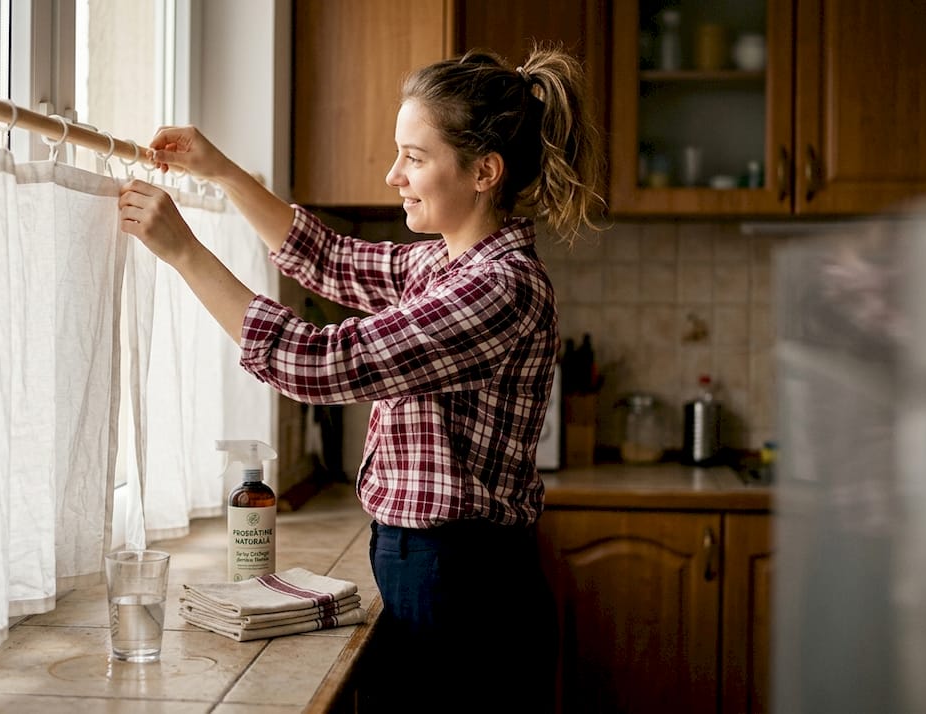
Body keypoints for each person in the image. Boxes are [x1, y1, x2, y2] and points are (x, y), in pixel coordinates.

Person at [118, 43, 605, 713]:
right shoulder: (443, 265)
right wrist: (223, 171)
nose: (392, 175)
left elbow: (319, 363)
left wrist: (185, 253)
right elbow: (330, 258)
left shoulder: (499, 288)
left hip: (464, 580)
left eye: (415, 157)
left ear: (484, 171)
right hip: (435, 566)